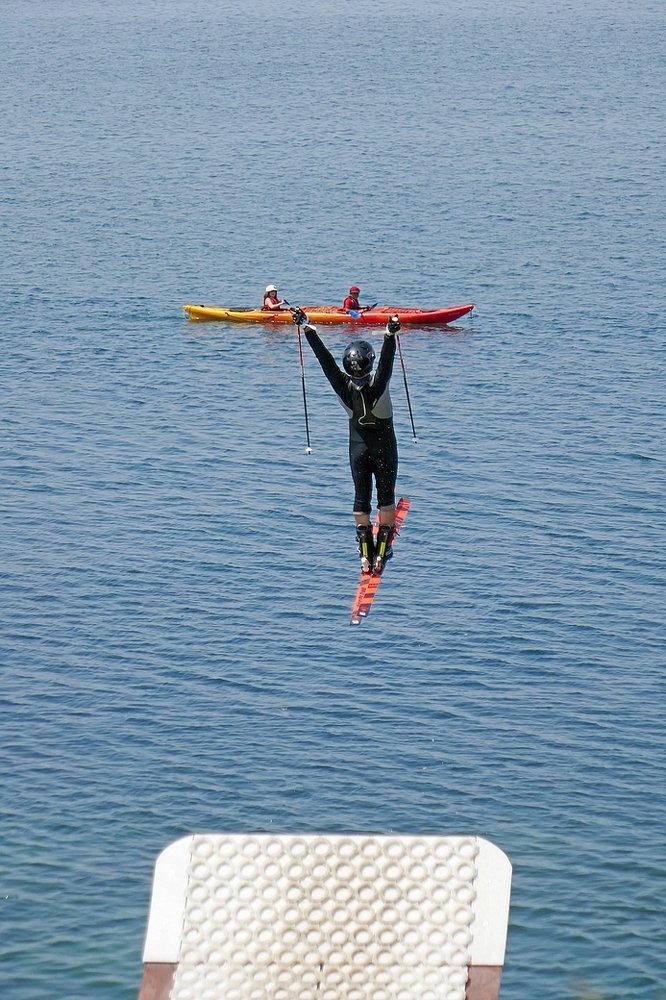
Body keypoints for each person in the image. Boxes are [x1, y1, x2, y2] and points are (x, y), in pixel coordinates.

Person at [292, 307, 401, 575]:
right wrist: (389, 334)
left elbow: (324, 361)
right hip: (384, 446)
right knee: (385, 499)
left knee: (360, 500)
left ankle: (365, 555)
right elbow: (386, 365)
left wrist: (307, 327)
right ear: (369, 365)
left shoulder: (341, 384)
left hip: (358, 448)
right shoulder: (378, 386)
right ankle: (382, 551)